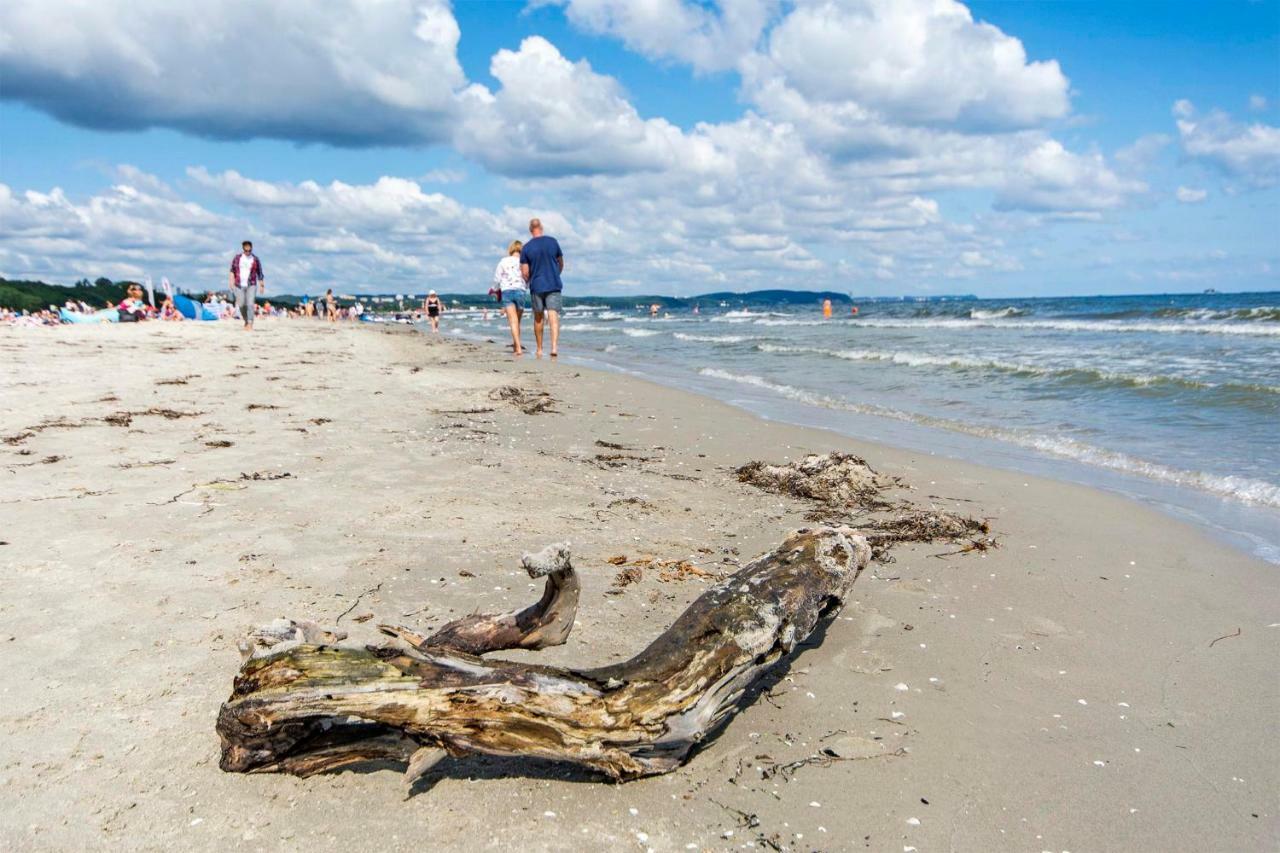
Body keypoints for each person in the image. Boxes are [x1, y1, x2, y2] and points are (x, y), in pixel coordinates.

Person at [519, 218, 564, 357]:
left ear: (530, 230)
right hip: (553, 283)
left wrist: (530, 279)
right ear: (541, 227)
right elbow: (561, 262)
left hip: (537, 285)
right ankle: (554, 348)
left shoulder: (526, 248)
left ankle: (539, 349)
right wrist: (555, 274)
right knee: (553, 316)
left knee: (538, 318)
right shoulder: (553, 241)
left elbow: (525, 272)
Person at [493, 239, 527, 354]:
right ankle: (517, 344)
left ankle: (517, 347)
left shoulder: (503, 261)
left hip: (507, 291)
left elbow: (497, 278)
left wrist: (495, 289)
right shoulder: (524, 261)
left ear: (511, 249)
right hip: (520, 291)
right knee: (518, 321)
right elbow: (527, 276)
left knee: (513, 321)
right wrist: (525, 286)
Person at [228, 240, 265, 330]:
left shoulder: (255, 259)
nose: (248, 252)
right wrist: (231, 282)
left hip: (251, 284)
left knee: (250, 304)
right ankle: (246, 320)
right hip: (238, 284)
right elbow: (232, 270)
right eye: (246, 250)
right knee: (241, 304)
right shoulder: (237, 258)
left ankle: (250, 323)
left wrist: (261, 285)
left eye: (249, 250)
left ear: (251, 248)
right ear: (243, 249)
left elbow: (259, 273)